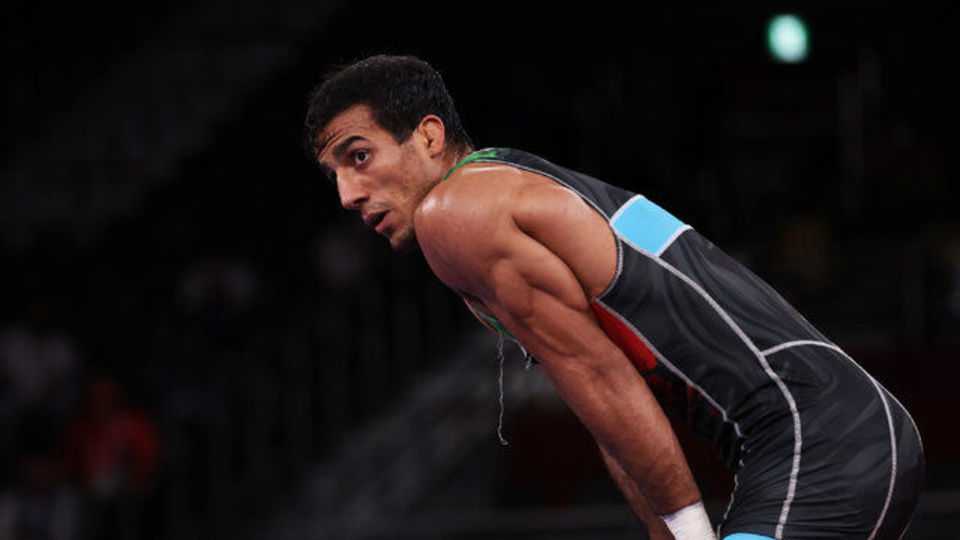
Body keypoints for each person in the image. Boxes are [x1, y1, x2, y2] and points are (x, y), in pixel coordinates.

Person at [302, 54, 924, 540]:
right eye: (335, 175)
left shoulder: (455, 213)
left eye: (360, 156)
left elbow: (602, 377)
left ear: (429, 136)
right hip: (834, 434)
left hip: (819, 439)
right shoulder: (501, 190)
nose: (347, 195)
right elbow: (608, 406)